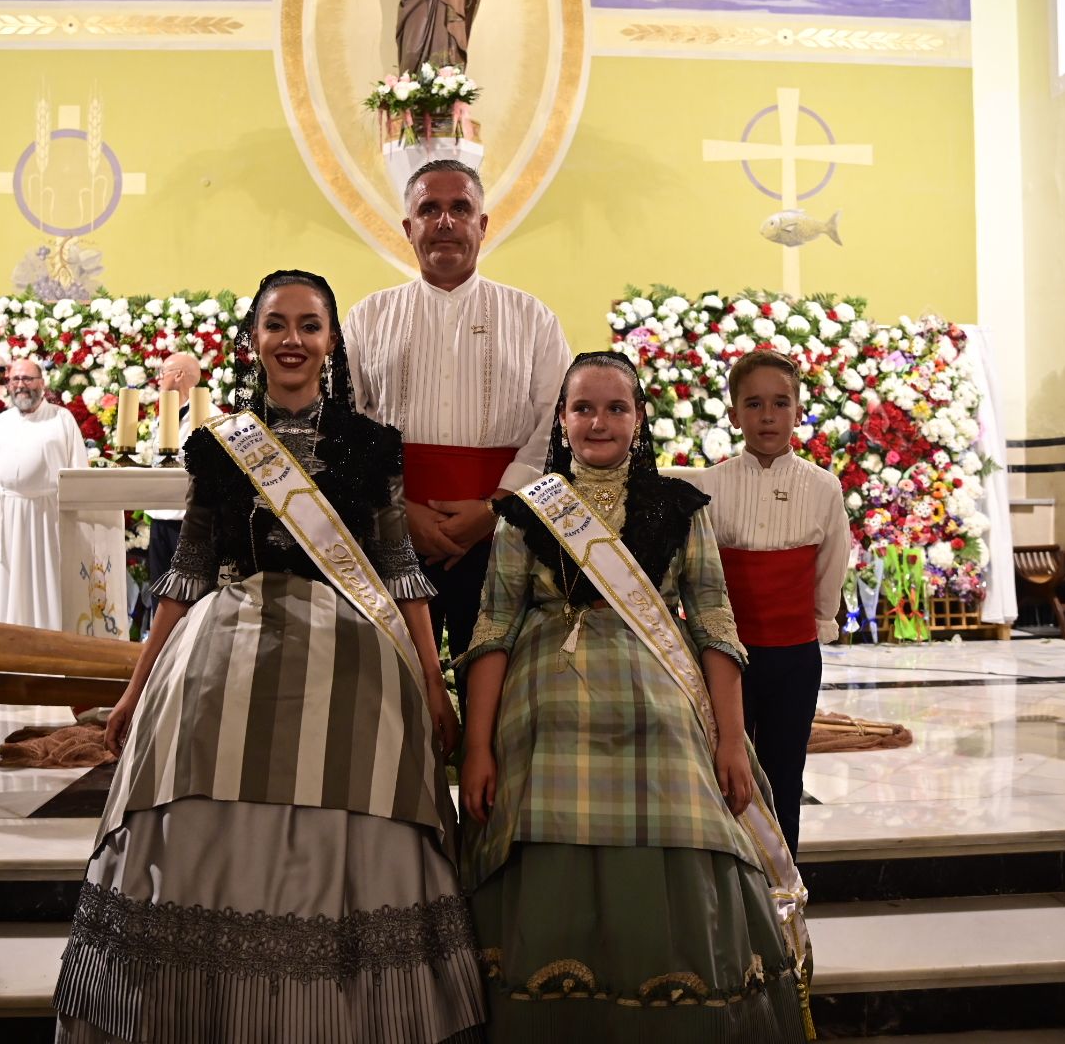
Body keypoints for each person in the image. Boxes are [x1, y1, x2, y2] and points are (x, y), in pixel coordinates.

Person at [53, 270, 484, 1043]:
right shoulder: (220, 444)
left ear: (330, 341)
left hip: (351, 649)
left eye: (309, 325)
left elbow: (400, 568)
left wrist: (431, 679)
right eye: (277, 324)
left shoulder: (372, 444)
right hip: (231, 640)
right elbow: (184, 572)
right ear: (254, 339)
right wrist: (134, 689)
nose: (293, 340)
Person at [458, 352, 807, 1041]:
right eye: (583, 407)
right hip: (544, 688)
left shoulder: (680, 507)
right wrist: (476, 747)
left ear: (639, 419)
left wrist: (731, 742)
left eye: (616, 407)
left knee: (680, 763)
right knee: (540, 761)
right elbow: (494, 625)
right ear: (561, 420)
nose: (599, 421)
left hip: (658, 685)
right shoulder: (526, 513)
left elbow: (714, 624)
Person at [345, 160, 570, 708]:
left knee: (501, 702)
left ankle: (485, 795)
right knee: (391, 695)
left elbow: (558, 425)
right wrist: (399, 511)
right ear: (408, 227)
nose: (444, 221)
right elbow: (343, 428)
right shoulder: (366, 318)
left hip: (503, 540)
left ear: (483, 224)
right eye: (428, 209)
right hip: (393, 537)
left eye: (460, 208)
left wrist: (494, 508)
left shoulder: (532, 318)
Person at [699, 349, 848, 855]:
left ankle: (785, 886)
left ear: (799, 410)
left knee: (784, 771)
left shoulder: (823, 488)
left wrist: (817, 622)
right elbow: (700, 573)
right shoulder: (710, 486)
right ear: (733, 412)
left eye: (780, 403)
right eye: (754, 403)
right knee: (726, 767)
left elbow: (831, 565)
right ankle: (734, 876)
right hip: (727, 659)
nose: (767, 416)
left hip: (793, 655)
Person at [0, 360, 88, 630]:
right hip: (8, 514)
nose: (20, 385)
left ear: (42, 383)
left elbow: (79, 468)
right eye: (14, 380)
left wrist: (77, 515)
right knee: (10, 583)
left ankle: (49, 646)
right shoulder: (2, 422)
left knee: (46, 580)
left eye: (27, 379)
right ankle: (9, 649)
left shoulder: (62, 419)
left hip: (49, 516)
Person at [142, 352, 201, 597]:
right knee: (159, 590)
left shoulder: (205, 411)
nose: (158, 379)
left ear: (178, 375)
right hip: (159, 513)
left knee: (186, 593)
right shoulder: (164, 414)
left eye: (162, 373)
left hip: (188, 518)